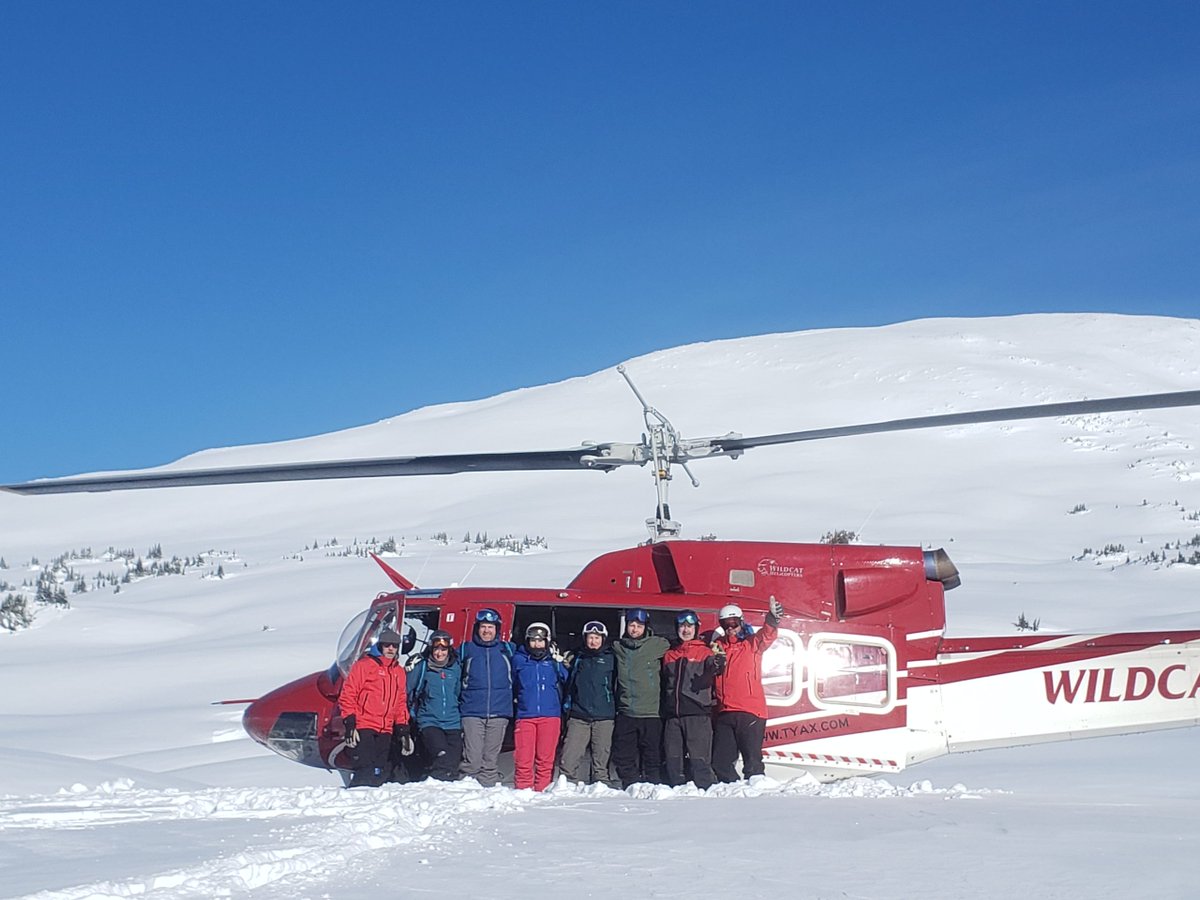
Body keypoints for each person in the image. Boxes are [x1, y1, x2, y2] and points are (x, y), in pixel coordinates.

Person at [711, 597, 783, 783]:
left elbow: (767, 635)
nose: (730, 628)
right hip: (726, 711)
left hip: (751, 711)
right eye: (725, 624)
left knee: (752, 762)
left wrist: (772, 619)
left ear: (741, 622)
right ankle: (732, 791)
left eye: (734, 623)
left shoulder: (751, 644)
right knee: (721, 762)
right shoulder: (718, 647)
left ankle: (756, 794)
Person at [338, 628, 410, 787]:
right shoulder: (364, 666)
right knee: (365, 768)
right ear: (380, 646)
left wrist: (403, 729)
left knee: (380, 770)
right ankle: (356, 797)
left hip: (385, 728)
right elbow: (349, 694)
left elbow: (400, 702)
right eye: (387, 645)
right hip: (364, 725)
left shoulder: (398, 671)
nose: (391, 649)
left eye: (395, 646)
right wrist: (350, 723)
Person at [661, 609, 723, 789]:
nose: (686, 630)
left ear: (696, 628)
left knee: (699, 760)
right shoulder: (670, 654)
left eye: (690, 626)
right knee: (673, 761)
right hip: (673, 716)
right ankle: (676, 796)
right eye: (682, 626)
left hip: (697, 714)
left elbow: (715, 668)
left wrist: (718, 662)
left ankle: (705, 795)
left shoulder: (705, 653)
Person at [611, 608, 670, 788]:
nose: (635, 629)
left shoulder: (659, 645)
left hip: (651, 713)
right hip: (627, 711)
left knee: (652, 756)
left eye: (639, 626)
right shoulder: (618, 647)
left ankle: (653, 787)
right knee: (624, 756)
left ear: (646, 627)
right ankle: (632, 787)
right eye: (631, 625)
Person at [458, 608, 515, 786]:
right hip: (472, 711)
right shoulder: (466, 650)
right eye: (483, 626)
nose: (486, 631)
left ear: (497, 629)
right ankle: (466, 791)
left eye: (490, 627)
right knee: (472, 759)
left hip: (499, 711)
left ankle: (487, 795)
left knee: (490, 761)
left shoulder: (508, 650)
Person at [511, 621, 569, 791]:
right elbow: (513, 683)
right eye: (533, 640)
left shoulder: (553, 663)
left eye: (541, 640)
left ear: (547, 641)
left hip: (550, 715)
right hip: (525, 715)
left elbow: (568, 680)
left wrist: (562, 663)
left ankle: (542, 792)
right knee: (523, 758)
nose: (537, 644)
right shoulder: (519, 660)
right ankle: (523, 791)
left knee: (545, 759)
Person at [559, 620, 617, 785]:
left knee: (601, 761)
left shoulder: (611, 658)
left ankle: (601, 787)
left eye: (597, 637)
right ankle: (567, 786)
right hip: (579, 715)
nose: (593, 641)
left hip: (604, 716)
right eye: (590, 637)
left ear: (603, 639)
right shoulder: (577, 657)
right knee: (569, 758)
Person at [406, 630, 464, 781]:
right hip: (429, 720)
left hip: (452, 722)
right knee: (441, 755)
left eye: (443, 650)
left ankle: (447, 795)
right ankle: (435, 787)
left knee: (453, 762)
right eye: (436, 649)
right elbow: (408, 691)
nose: (439, 653)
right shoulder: (422, 667)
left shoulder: (455, 668)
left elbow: (457, 693)